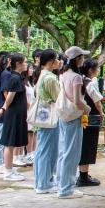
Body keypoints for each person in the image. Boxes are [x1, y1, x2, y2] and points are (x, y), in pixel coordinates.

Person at [57, 46, 92, 199]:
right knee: (72, 154)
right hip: (74, 116)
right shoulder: (76, 77)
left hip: (64, 115)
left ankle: (62, 184)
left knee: (63, 152)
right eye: (82, 57)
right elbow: (77, 101)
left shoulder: (64, 74)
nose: (83, 59)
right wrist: (87, 108)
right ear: (77, 58)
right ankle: (66, 189)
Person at [0, 53, 29, 181]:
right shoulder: (14, 78)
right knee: (9, 143)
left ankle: (9, 168)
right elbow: (9, 97)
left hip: (17, 114)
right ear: (18, 64)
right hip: (13, 114)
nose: (26, 64)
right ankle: (8, 172)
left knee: (12, 143)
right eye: (25, 62)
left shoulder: (17, 77)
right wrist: (3, 108)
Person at [32, 50, 60, 194]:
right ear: (51, 61)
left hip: (42, 116)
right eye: (57, 59)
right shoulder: (50, 78)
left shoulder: (41, 75)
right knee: (48, 150)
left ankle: (40, 181)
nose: (59, 62)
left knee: (42, 149)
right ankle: (44, 183)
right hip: (50, 117)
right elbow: (58, 99)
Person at [78, 60, 104, 187]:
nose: (98, 71)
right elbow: (97, 101)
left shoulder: (80, 81)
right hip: (91, 116)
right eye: (96, 68)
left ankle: (82, 174)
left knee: (83, 143)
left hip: (82, 117)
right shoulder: (89, 83)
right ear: (90, 70)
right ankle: (83, 176)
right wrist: (102, 112)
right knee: (88, 145)